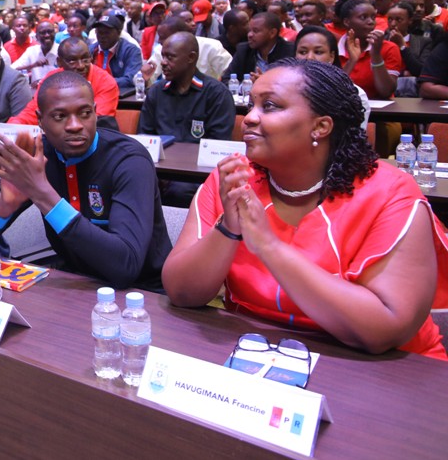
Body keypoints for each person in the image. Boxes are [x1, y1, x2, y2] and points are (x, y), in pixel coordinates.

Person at [162, 59, 448, 359]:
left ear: (321, 126)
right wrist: (227, 229)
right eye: (251, 105)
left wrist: (269, 245)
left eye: (269, 106)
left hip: (383, 371)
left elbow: (386, 331)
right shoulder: (233, 179)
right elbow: (181, 292)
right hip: (258, 352)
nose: (248, 118)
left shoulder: (389, 192)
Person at [0, 72, 171, 291]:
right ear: (40, 120)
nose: (74, 125)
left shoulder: (128, 160)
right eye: (60, 116)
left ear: (95, 113)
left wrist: (44, 195)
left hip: (144, 293)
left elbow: (125, 267)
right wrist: (4, 206)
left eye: (85, 113)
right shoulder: (36, 157)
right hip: (76, 285)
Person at [138, 33, 235, 207]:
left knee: (179, 191)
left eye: (170, 57)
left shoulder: (217, 94)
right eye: (163, 56)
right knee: (136, 184)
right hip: (159, 170)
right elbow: (144, 137)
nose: (163, 62)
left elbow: (217, 146)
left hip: (195, 173)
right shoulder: (156, 92)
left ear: (191, 58)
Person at [8, 38, 118, 126]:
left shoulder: (105, 82)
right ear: (59, 62)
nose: (80, 66)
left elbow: (93, 122)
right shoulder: (51, 79)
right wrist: (12, 127)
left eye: (85, 59)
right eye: (72, 61)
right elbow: (33, 112)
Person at [295, 25, 370, 128]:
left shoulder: (355, 95)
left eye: (318, 52)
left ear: (332, 56)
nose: (309, 58)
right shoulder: (282, 89)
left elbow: (354, 140)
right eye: (303, 52)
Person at [336, 0, 402, 100]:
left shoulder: (389, 48)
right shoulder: (334, 48)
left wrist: (376, 56)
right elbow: (333, 89)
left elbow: (386, 91)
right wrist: (352, 61)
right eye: (363, 17)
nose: (371, 22)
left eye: (373, 17)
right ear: (347, 22)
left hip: (380, 113)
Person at [224, 11, 295, 81]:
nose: (250, 35)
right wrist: (246, 86)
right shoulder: (244, 50)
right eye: (249, 30)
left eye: (255, 31)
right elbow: (226, 80)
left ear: (272, 33)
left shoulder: (290, 52)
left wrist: (265, 83)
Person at [88, 14, 142, 92]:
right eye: (99, 32)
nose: (102, 36)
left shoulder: (131, 50)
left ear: (118, 33)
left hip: (119, 96)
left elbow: (131, 79)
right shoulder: (91, 49)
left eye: (107, 33)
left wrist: (102, 83)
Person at [12, 21, 58, 87]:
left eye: (50, 32)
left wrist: (42, 83)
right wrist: (32, 66)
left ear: (55, 33)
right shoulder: (32, 51)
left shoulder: (61, 50)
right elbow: (12, 68)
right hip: (36, 94)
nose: (47, 35)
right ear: (36, 36)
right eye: (43, 33)